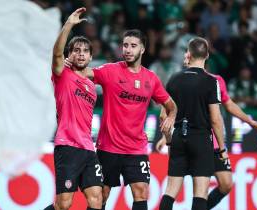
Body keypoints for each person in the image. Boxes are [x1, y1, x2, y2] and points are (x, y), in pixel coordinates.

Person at [66, 29, 177, 210]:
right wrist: (69, 65)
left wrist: (170, 116)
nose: (128, 49)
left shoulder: (151, 79)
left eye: (133, 46)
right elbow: (85, 73)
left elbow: (171, 105)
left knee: (141, 191)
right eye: (125, 45)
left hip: (137, 148)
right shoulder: (111, 71)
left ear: (142, 49)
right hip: (108, 147)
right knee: (102, 195)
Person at [157, 62, 257, 210]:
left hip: (209, 141)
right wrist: (165, 138)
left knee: (225, 184)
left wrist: (249, 121)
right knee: (199, 191)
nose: (186, 58)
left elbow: (229, 104)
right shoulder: (181, 80)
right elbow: (174, 112)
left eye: (188, 54)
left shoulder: (215, 80)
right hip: (199, 140)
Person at [44, 8, 103, 210]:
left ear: (90, 57)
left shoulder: (92, 88)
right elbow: (56, 53)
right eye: (76, 50)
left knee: (97, 199)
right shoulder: (63, 75)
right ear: (70, 54)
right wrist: (69, 23)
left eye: (85, 51)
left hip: (88, 148)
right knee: (63, 204)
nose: (81, 54)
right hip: (67, 146)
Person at [158, 37, 226, 210]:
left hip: (179, 137)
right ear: (207, 55)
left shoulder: (174, 79)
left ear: (188, 54)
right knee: (200, 194)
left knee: (170, 190)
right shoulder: (211, 81)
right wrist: (222, 149)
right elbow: (216, 119)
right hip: (201, 139)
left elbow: (162, 116)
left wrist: (168, 141)